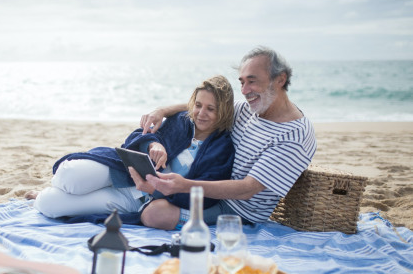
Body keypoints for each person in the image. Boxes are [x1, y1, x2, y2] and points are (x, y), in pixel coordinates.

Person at [130, 46, 317, 230]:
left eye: (251, 81)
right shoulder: (249, 109)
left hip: (235, 209)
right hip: (209, 190)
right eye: (242, 82)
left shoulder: (294, 134)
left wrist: (185, 186)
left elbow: (247, 189)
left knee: (154, 214)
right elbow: (202, 107)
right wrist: (161, 111)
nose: (244, 91)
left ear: (280, 79)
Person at [28, 75, 236, 224]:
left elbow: (203, 196)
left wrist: (154, 190)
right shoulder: (181, 121)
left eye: (211, 109)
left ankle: (46, 194)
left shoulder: (222, 148)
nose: (201, 113)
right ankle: (65, 187)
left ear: (223, 112)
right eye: (198, 105)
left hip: (136, 199)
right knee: (68, 175)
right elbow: (138, 136)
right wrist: (155, 144)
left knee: (49, 204)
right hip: (123, 169)